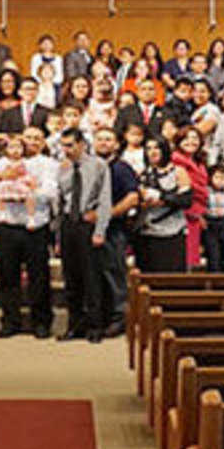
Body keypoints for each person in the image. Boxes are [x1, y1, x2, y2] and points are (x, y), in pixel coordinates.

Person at [0, 126, 57, 338]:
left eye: (37, 138)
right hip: (8, 225)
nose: (32, 141)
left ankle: (41, 321)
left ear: (43, 143)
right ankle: (10, 321)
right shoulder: (2, 162)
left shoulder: (47, 164)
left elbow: (50, 191)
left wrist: (26, 194)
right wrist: (3, 181)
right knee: (8, 276)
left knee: (39, 276)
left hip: (35, 226)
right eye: (28, 138)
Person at [56, 128, 112, 344]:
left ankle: (95, 326)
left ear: (81, 144)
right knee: (71, 278)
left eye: (70, 145)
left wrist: (100, 230)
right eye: (63, 145)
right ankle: (74, 325)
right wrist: (58, 236)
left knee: (91, 277)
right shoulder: (62, 167)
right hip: (69, 224)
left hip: (88, 223)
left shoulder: (98, 165)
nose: (66, 150)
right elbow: (60, 200)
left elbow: (105, 199)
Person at [93, 127, 139, 337]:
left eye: (108, 139)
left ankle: (119, 318)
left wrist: (108, 214)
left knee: (114, 274)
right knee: (95, 275)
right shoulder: (88, 166)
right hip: (89, 229)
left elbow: (132, 198)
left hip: (114, 230)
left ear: (116, 144)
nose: (103, 143)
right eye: (100, 139)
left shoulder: (121, 168)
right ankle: (98, 318)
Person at [134, 135, 192, 273]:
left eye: (156, 148)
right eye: (148, 148)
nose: (152, 152)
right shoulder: (142, 174)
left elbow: (186, 200)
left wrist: (162, 197)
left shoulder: (178, 172)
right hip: (147, 232)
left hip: (172, 232)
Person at [172, 126, 209, 271]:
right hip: (185, 211)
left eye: (195, 138)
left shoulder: (199, 160)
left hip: (199, 208)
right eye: (186, 138)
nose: (191, 142)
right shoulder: (177, 160)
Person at [203, 164, 224, 272]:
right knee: (213, 252)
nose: (220, 181)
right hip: (210, 222)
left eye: (223, 178)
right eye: (217, 177)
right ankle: (213, 277)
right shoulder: (207, 190)